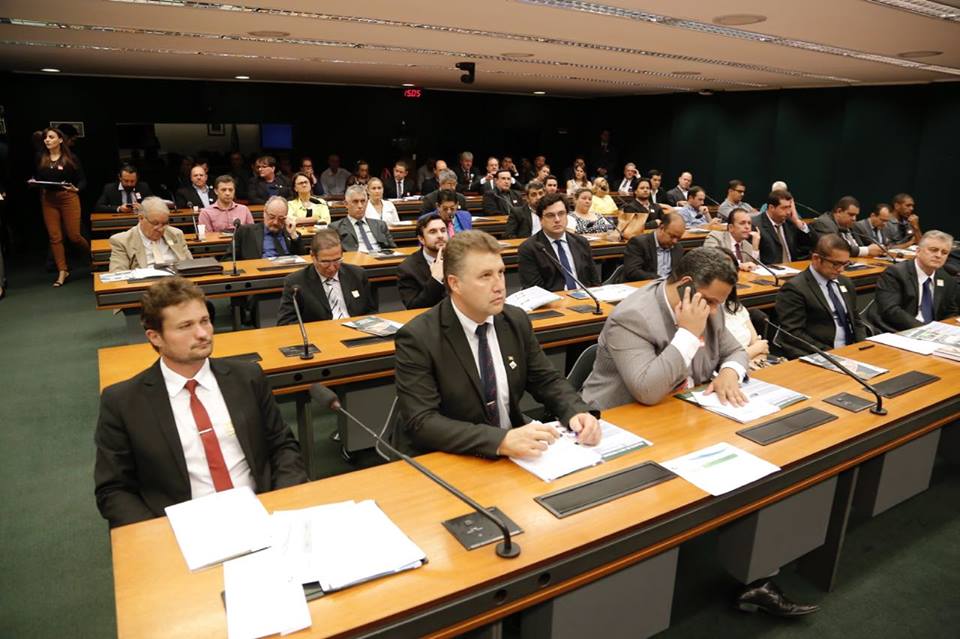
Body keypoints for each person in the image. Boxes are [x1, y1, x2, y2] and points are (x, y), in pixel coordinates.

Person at [94, 277, 308, 528]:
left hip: (262, 511)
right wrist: (160, 534)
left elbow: (283, 446)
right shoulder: (123, 402)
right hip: (180, 528)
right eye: (185, 326)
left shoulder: (247, 377)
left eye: (204, 321)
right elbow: (113, 490)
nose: (202, 333)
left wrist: (282, 503)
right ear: (155, 337)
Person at [393, 230, 600, 457]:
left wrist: (576, 411)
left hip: (510, 448)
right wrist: (499, 441)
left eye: (500, 272)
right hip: (446, 455)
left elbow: (546, 380)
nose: (499, 285)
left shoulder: (514, 320)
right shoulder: (418, 337)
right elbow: (422, 421)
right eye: (485, 276)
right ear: (455, 283)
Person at [581, 247, 748, 409]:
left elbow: (736, 351)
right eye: (710, 301)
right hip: (615, 415)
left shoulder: (709, 306)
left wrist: (729, 372)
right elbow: (647, 391)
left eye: (718, 303)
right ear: (686, 285)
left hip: (681, 408)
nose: (713, 311)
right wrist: (688, 334)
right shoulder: (631, 317)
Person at [774, 234, 866, 359]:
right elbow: (793, 333)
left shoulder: (845, 282)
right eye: (836, 264)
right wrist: (829, 353)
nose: (841, 270)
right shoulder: (795, 288)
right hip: (820, 353)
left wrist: (862, 345)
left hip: (852, 351)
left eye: (845, 264)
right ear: (816, 259)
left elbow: (856, 319)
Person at [29, 127, 90, 287]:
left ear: (60, 140)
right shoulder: (41, 157)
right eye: (45, 137)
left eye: (51, 137)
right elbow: (38, 176)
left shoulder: (71, 158)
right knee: (55, 237)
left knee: (74, 236)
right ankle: (62, 271)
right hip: (49, 199)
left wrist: (77, 189)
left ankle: (93, 256)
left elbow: (82, 179)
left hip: (68, 197)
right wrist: (34, 182)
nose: (47, 140)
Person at [276, 229, 377, 325]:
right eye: (325, 262)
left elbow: (371, 311)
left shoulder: (357, 274)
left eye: (337, 260)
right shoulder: (296, 282)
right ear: (313, 256)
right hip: (321, 334)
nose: (332, 267)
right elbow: (286, 323)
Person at [872, 230, 958, 332]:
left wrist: (947, 329)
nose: (938, 255)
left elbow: (951, 311)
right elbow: (891, 311)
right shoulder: (896, 273)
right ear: (918, 251)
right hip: (902, 329)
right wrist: (925, 329)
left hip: (935, 331)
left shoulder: (946, 277)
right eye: (933, 250)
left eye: (944, 252)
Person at [517, 192, 599, 291]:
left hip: (586, 297)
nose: (557, 219)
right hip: (553, 299)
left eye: (561, 214)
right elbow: (535, 290)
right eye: (550, 215)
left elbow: (594, 281)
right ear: (541, 219)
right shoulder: (529, 248)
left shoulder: (581, 242)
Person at [716, 249, 771, 369]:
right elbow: (718, 362)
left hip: (753, 368)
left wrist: (756, 363)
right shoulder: (706, 311)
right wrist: (754, 350)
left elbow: (761, 346)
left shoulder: (735, 306)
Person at [108, 197, 192, 271]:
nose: (160, 229)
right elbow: (117, 274)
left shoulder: (176, 234)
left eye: (164, 223)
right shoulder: (122, 241)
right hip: (143, 283)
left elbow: (191, 265)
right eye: (155, 223)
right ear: (141, 218)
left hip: (177, 281)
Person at [398, 213, 448, 309]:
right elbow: (414, 306)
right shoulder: (407, 268)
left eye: (443, 230)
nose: (440, 235)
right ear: (421, 239)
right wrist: (436, 280)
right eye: (433, 232)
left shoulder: (460, 258)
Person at [329, 185, 397, 253]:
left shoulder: (380, 225)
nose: (360, 206)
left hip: (381, 257)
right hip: (355, 258)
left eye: (363, 201)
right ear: (346, 204)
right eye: (355, 201)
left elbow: (393, 249)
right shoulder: (336, 228)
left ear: (367, 203)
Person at [753, 189, 814, 264]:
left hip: (794, 267)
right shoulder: (756, 225)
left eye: (789, 207)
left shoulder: (790, 222)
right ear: (771, 208)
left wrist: (797, 222)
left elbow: (809, 245)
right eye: (784, 208)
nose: (788, 212)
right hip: (771, 269)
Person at [235, 196, 305, 260]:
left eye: (280, 218)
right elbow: (231, 259)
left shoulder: (290, 234)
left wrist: (293, 234)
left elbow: (303, 258)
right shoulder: (246, 232)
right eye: (272, 217)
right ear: (264, 213)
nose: (275, 222)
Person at [810, 196, 883, 257]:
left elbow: (869, 241)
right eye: (851, 215)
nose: (854, 219)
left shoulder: (853, 224)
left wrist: (880, 248)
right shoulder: (824, 223)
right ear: (839, 211)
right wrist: (866, 250)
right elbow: (834, 248)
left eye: (856, 215)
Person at [622, 212, 686, 281]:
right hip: (645, 284)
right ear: (661, 228)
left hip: (669, 285)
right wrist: (661, 280)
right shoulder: (639, 243)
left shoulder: (678, 248)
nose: (675, 241)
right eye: (672, 236)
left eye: (678, 238)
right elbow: (632, 272)